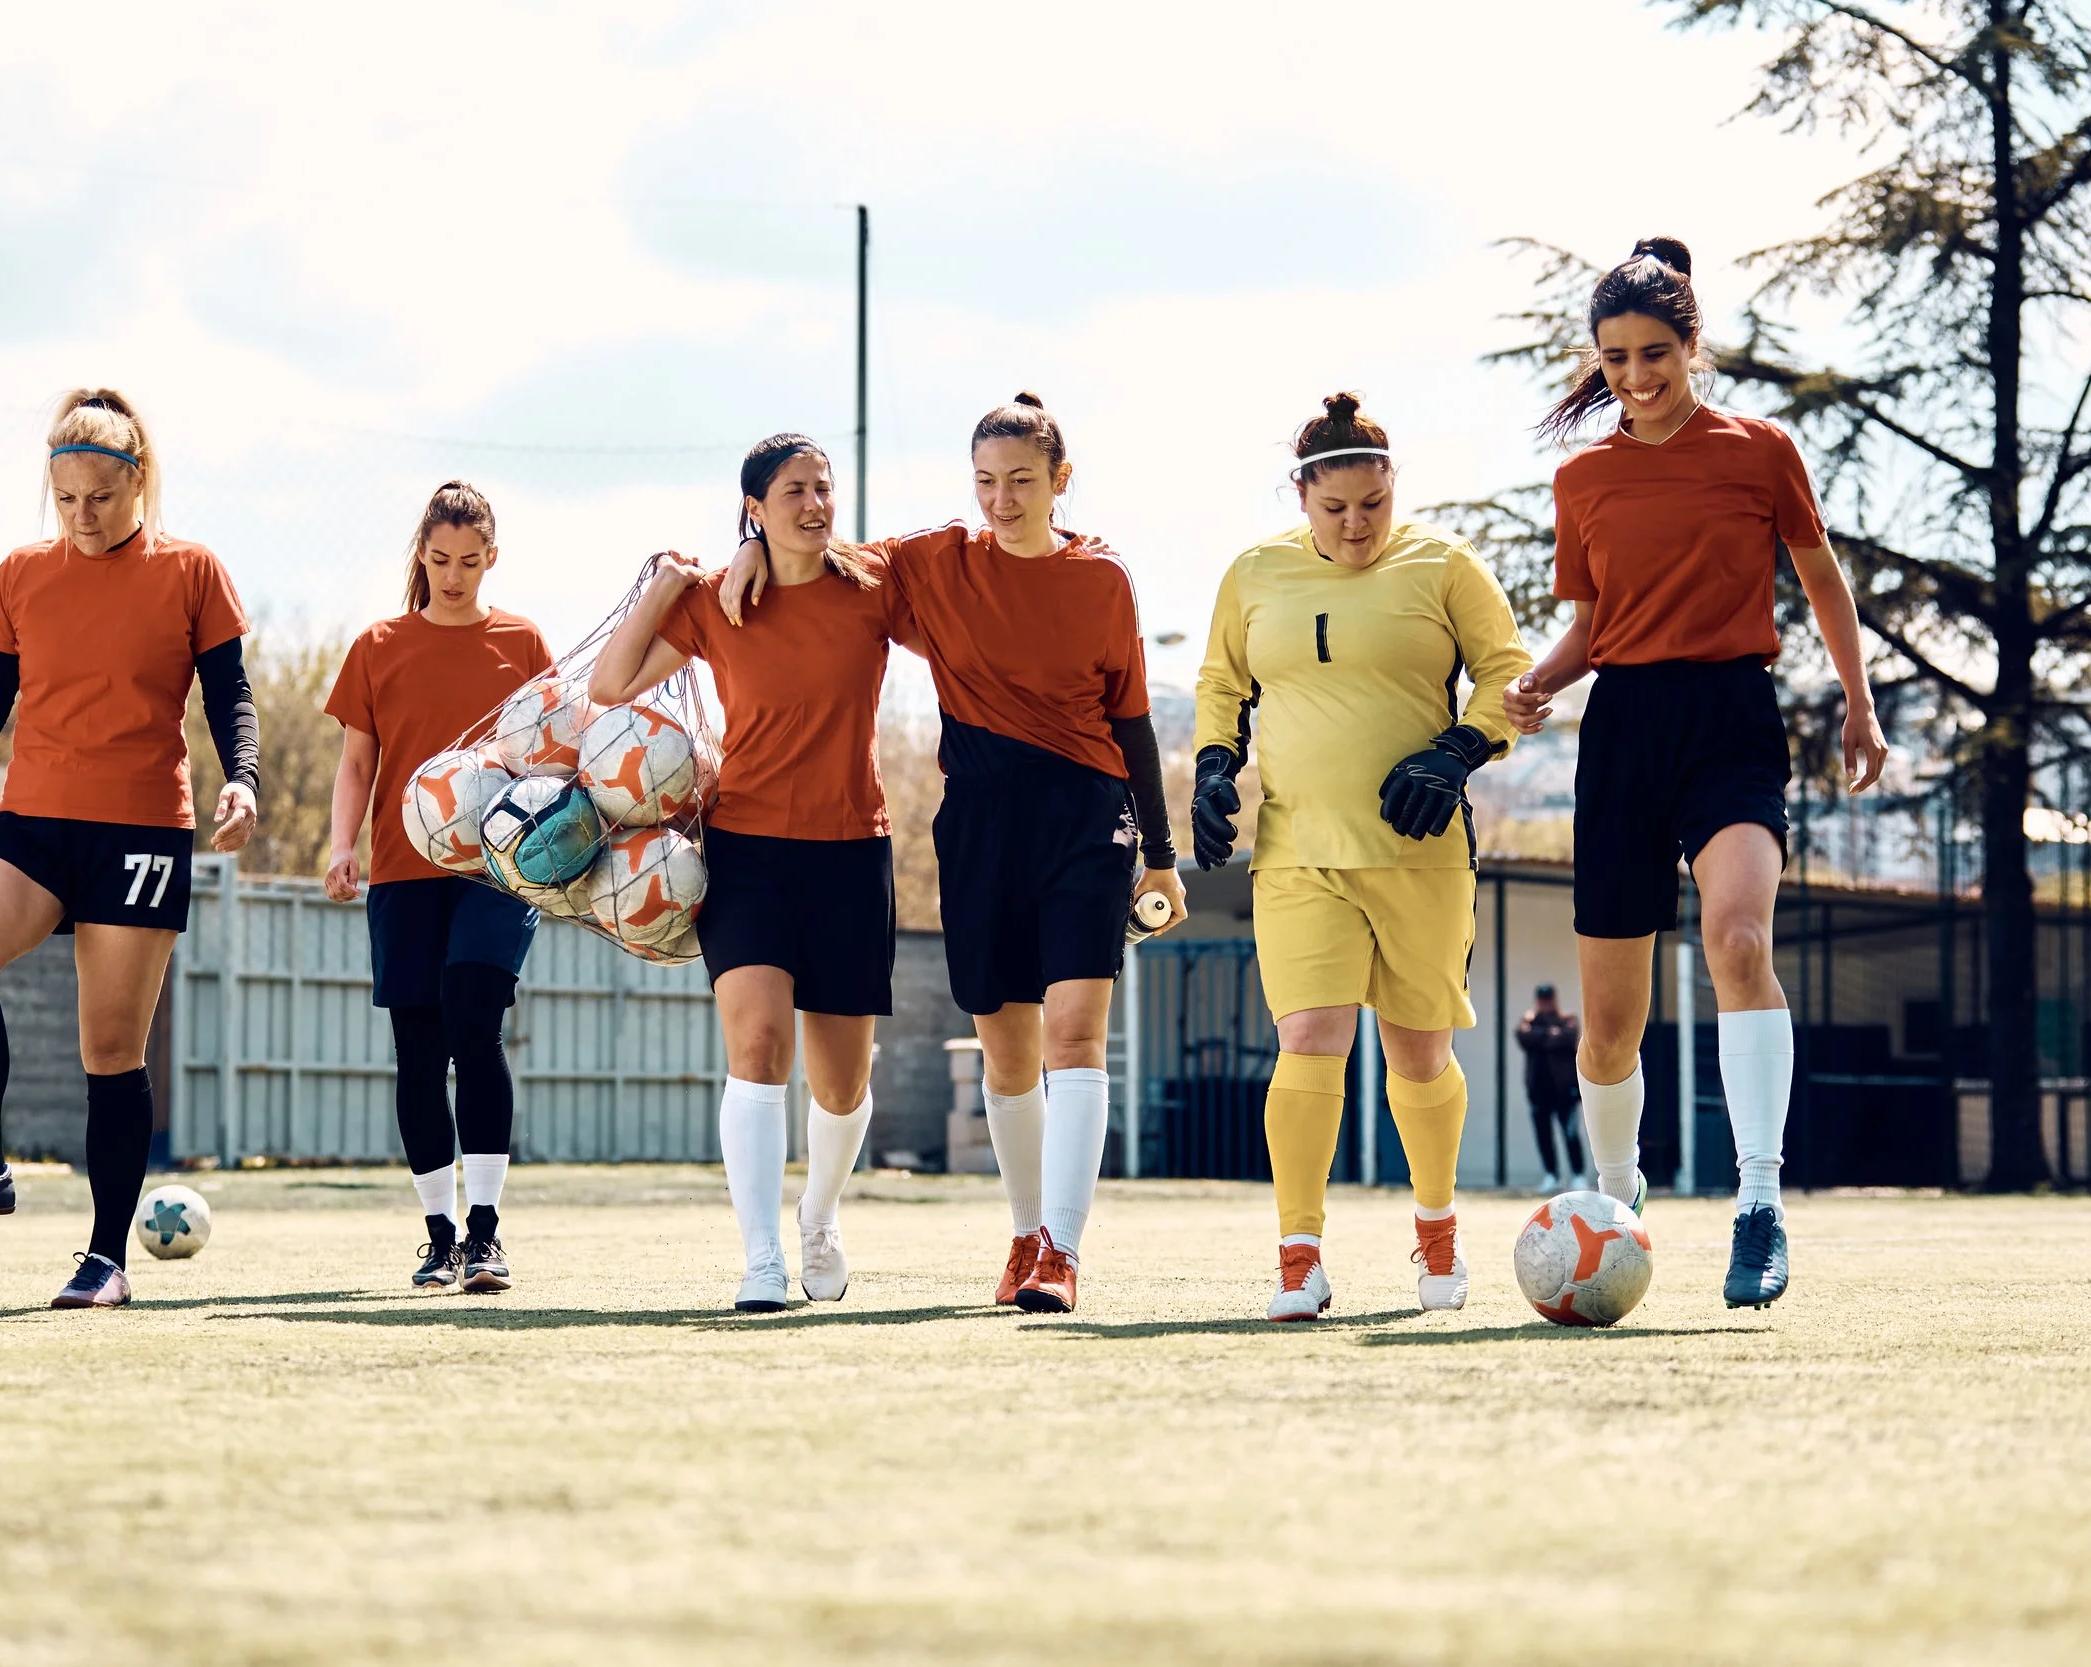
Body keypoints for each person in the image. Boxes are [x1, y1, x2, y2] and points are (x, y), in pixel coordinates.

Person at [723, 394, 1185, 1314]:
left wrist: (1162, 854)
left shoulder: (1103, 579)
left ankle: (1062, 1250)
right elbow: (817, 553)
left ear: (1061, 480)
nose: (1002, 499)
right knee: (1007, 1055)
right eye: (985, 481)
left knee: (1073, 1036)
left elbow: (1132, 719)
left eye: (1021, 481)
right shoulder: (932, 563)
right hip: (977, 823)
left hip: (1087, 819)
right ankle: (1023, 1233)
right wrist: (745, 547)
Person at [1506, 236, 1889, 1309]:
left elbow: (1820, 580)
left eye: (1654, 354)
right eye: (1616, 358)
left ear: (1692, 344)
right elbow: (1589, 627)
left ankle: (1758, 1202)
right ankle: (1614, 1207)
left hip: (1731, 717)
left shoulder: (1760, 450)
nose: (1635, 376)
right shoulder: (1579, 477)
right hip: (1621, 731)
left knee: (1737, 939)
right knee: (1610, 1022)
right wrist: (1538, 680)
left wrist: (1859, 701)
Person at [0, 389, 259, 1310]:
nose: (83, 517)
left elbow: (231, 695)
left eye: (101, 497)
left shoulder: (193, 571)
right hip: (35, 822)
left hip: (140, 829)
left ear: (138, 484)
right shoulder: (20, 574)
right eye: (66, 500)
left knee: (109, 1049)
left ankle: (105, 1259)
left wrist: (243, 775)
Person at [1193, 392, 1532, 1323]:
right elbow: (1224, 680)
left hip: (1420, 855)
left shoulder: (1446, 566)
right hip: (1298, 849)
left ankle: (1437, 1235)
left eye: (1372, 506)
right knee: (1309, 1039)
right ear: (1302, 496)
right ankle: (1299, 1258)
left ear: (1393, 489)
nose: (1355, 526)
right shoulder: (1254, 573)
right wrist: (1216, 765)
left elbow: (1509, 671)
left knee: (1418, 1052)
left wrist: (1459, 748)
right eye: (1335, 508)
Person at [589, 435, 907, 1312]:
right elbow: (613, 684)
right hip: (748, 849)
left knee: (842, 1082)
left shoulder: (874, 585)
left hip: (852, 850)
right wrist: (667, 581)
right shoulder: (711, 600)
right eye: (794, 491)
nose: (815, 504)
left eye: (824, 489)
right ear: (755, 509)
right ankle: (762, 1256)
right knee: (758, 1045)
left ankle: (819, 1217)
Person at [323, 481, 553, 1294]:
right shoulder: (377, 645)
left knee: (474, 1024)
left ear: (492, 558)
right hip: (402, 873)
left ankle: (486, 1234)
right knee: (418, 1054)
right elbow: (357, 762)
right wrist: (341, 844)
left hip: (496, 873)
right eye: (440, 559)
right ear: (422, 553)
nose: (454, 576)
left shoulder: (523, 643)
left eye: (470, 561)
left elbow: (552, 754)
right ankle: (438, 1235)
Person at [1515, 984, 1586, 1193]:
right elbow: (1523, 1037)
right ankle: (1551, 1175)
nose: (1545, 1003)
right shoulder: (1528, 1020)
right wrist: (1548, 1034)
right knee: (1543, 1135)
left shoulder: (1567, 1019)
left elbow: (1566, 1037)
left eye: (1548, 999)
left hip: (1565, 1091)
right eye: (1542, 1000)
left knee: (1571, 1133)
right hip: (1539, 1091)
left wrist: (1541, 1035)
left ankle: (1578, 1175)